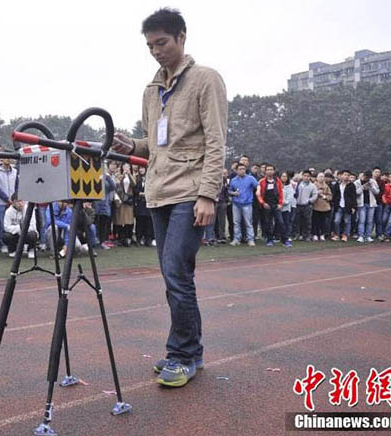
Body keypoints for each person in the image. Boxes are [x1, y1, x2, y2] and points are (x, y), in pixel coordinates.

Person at [111, 8, 227, 387]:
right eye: (150, 45)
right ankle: (188, 352)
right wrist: (132, 144)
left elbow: (215, 141)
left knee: (177, 272)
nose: (156, 51)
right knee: (172, 274)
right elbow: (157, 145)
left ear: (182, 37)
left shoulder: (205, 79)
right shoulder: (151, 89)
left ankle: (183, 355)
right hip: (158, 192)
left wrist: (208, 194)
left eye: (161, 42)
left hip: (190, 191)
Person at [256, 164, 287, 247]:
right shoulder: (261, 181)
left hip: (276, 205)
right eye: (268, 170)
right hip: (266, 205)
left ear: (274, 171)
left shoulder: (278, 181)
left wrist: (280, 204)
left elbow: (281, 193)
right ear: (265, 171)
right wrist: (263, 203)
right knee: (267, 223)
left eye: (271, 169)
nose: (270, 171)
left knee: (280, 222)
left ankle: (285, 240)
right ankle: (269, 240)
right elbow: (258, 194)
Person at [0, 156, 18, 254]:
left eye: (10, 158)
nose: (8, 160)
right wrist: (6, 198)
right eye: (6, 158)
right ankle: (2, 244)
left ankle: (14, 244)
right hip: (1, 202)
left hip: (14, 202)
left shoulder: (15, 171)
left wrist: (15, 198)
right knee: (1, 223)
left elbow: (17, 185)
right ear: (1, 159)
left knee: (15, 222)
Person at [228, 163, 258, 246]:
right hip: (236, 204)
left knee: (248, 223)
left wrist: (258, 191)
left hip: (247, 204)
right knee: (236, 223)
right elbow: (229, 191)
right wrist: (233, 193)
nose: (242, 171)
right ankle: (236, 239)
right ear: (236, 170)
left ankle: (250, 239)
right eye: (240, 169)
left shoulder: (250, 178)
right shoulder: (233, 180)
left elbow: (258, 186)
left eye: (243, 169)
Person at [3, 194, 37, 259]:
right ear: (13, 203)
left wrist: (23, 229)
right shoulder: (8, 212)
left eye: (21, 201)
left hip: (27, 234)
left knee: (33, 234)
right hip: (15, 234)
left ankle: (31, 249)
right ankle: (12, 250)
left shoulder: (30, 210)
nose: (20, 203)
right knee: (6, 236)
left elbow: (33, 226)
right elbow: (6, 227)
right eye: (17, 201)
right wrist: (20, 228)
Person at [355, 170, 380, 243]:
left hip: (371, 203)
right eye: (366, 177)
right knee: (362, 220)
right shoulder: (357, 182)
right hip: (361, 204)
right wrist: (363, 187)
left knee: (370, 221)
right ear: (363, 176)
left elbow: (377, 192)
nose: (367, 179)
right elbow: (356, 193)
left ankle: (368, 236)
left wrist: (371, 187)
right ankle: (361, 236)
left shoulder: (373, 182)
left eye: (369, 178)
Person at [331, 169, 357, 242]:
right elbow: (335, 195)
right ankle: (337, 234)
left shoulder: (351, 185)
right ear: (341, 175)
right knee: (336, 221)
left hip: (347, 206)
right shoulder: (337, 185)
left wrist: (353, 207)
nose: (346, 176)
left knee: (347, 221)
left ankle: (345, 235)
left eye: (348, 175)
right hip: (338, 205)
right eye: (345, 175)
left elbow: (353, 197)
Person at [94, 171, 117, 249]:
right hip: (96, 205)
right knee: (96, 224)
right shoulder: (94, 175)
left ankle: (102, 242)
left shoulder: (107, 178)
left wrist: (108, 177)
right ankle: (95, 241)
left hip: (105, 205)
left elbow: (113, 187)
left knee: (103, 225)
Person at [114, 163, 135, 246]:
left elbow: (134, 184)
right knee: (120, 219)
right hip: (121, 199)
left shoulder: (132, 175)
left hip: (128, 200)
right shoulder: (119, 175)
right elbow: (117, 184)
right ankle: (120, 238)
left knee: (128, 220)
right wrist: (123, 175)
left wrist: (129, 174)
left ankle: (127, 237)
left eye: (128, 166)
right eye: (125, 166)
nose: (126, 168)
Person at [133, 166, 154, 247]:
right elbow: (134, 189)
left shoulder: (150, 178)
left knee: (148, 222)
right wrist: (139, 193)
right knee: (139, 222)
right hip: (139, 203)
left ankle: (148, 239)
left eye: (143, 168)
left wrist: (147, 194)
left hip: (148, 203)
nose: (141, 170)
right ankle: (138, 238)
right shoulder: (136, 178)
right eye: (140, 168)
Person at [295, 170, 318, 242]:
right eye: (305, 176)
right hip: (298, 205)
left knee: (307, 222)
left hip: (307, 206)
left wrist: (309, 201)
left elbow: (315, 195)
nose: (306, 177)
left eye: (308, 176)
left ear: (310, 177)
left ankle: (307, 236)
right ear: (302, 176)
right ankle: (298, 235)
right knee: (297, 221)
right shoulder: (298, 184)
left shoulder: (312, 186)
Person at [312, 172, 332, 241]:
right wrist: (317, 193)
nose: (321, 178)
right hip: (316, 205)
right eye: (320, 176)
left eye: (323, 176)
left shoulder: (326, 186)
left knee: (323, 221)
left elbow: (330, 196)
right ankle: (315, 234)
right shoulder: (313, 185)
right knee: (315, 221)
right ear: (317, 178)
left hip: (324, 206)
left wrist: (325, 196)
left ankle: (322, 234)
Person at [280, 171, 295, 243]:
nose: (284, 178)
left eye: (285, 176)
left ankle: (285, 238)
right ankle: (278, 236)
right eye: (282, 176)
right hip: (278, 208)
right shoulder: (277, 185)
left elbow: (289, 198)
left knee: (286, 223)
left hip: (286, 208)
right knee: (279, 223)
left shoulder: (290, 187)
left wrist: (282, 202)